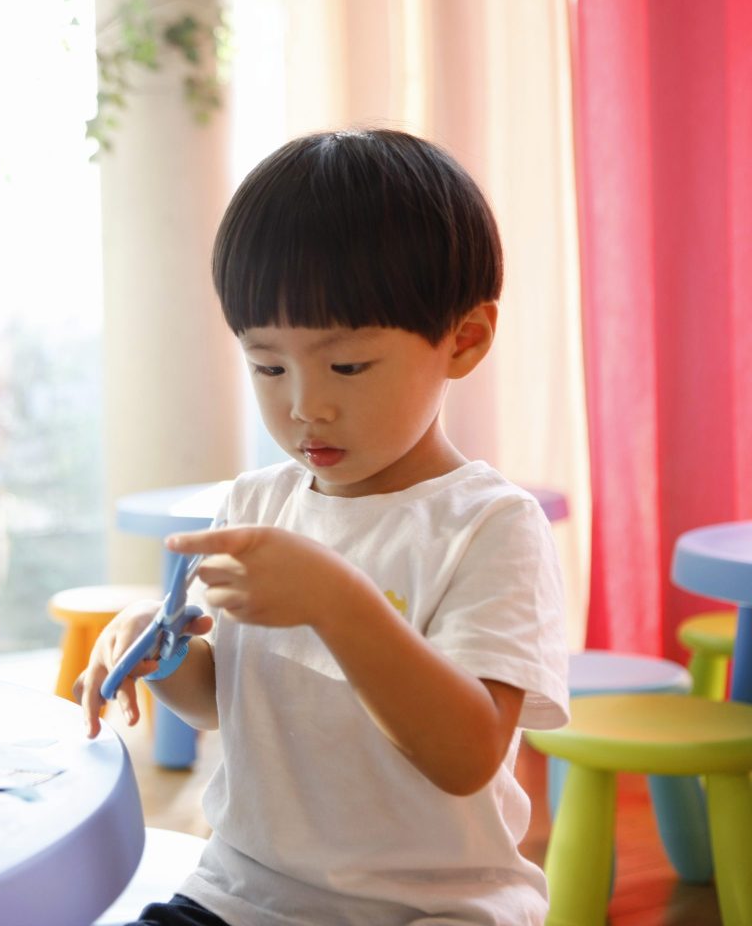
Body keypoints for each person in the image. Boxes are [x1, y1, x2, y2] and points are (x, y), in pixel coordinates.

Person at [75, 128, 570, 925]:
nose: (305, 404)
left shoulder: (488, 527)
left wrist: (338, 600)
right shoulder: (256, 503)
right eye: (268, 365)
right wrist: (164, 651)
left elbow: (466, 754)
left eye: (347, 366)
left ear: (465, 340)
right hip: (242, 893)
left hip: (433, 910)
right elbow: (223, 702)